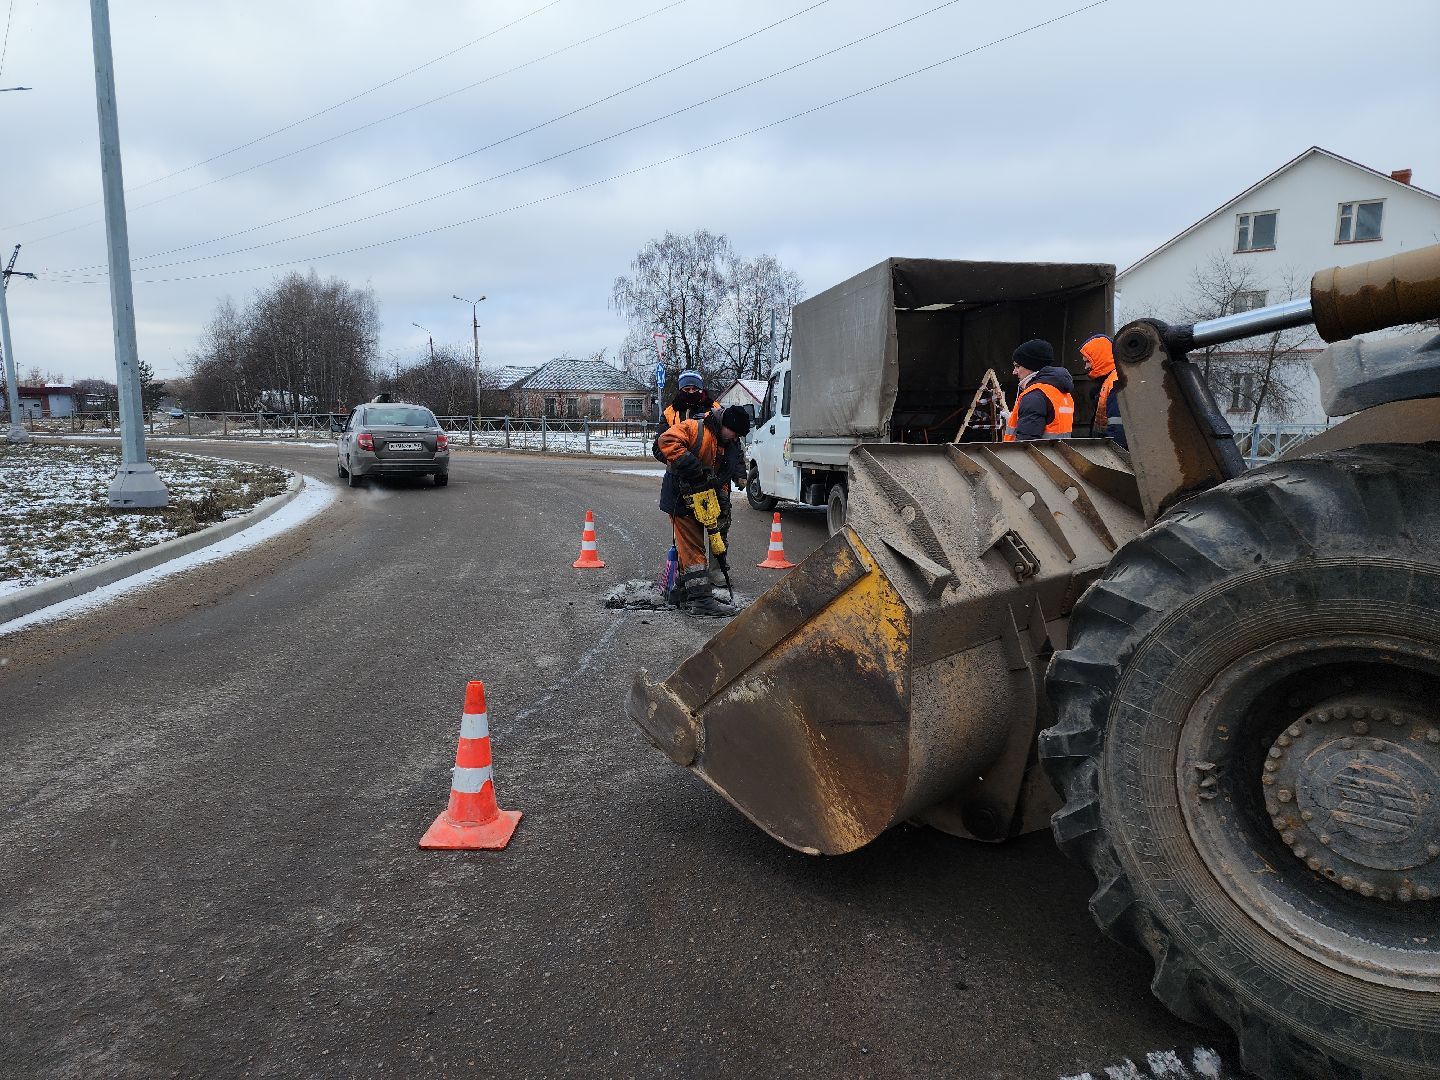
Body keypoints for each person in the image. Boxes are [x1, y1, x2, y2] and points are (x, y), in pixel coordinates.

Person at [657, 405, 753, 617]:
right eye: (734, 432)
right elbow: (665, 441)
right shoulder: (694, 428)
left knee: (689, 547)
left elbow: (720, 476)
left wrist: (721, 503)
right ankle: (701, 601)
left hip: (703, 498)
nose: (735, 437)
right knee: (693, 548)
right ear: (724, 424)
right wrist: (692, 467)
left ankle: (682, 591)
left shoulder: (726, 443)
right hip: (680, 497)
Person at [1003, 338, 1075, 441]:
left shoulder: (1035, 395)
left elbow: (1026, 444)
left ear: (1031, 365)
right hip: (1057, 455)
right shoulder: (1061, 392)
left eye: (1017, 366)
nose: (1014, 372)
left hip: (1034, 456)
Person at [1079, 333, 1126, 449]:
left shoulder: (1115, 383)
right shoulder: (1110, 382)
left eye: (1088, 361)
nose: (1086, 367)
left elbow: (1118, 430)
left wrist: (1115, 459)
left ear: (1099, 358)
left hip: (1115, 454)